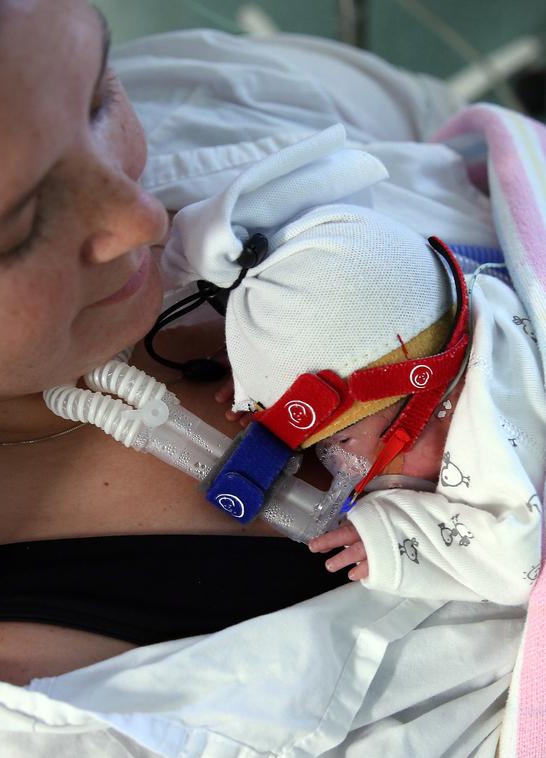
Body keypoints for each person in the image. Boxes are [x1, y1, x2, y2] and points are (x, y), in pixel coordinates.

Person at [0, 3, 542, 758]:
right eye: (15, 229)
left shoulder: (202, 99)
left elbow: (445, 131)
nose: (143, 217)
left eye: (96, 94)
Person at [161, 128, 543, 605]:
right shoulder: (448, 306)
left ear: (428, 388)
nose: (333, 463)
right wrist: (265, 364)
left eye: (340, 440)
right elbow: (392, 288)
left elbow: (513, 562)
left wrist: (394, 538)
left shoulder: (485, 436)